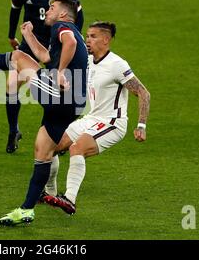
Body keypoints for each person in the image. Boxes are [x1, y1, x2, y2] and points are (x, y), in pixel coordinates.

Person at [0, 0, 88, 225]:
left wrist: (61, 72)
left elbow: (70, 42)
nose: (48, 11)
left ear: (63, 14)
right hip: (73, 104)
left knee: (18, 58)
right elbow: (45, 58)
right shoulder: (63, 32)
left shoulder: (64, 28)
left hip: (62, 95)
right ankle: (26, 210)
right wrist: (29, 36)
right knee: (42, 152)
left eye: (52, 8)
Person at [42, 21, 151, 215]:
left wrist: (141, 125)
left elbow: (143, 93)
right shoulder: (88, 60)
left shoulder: (117, 65)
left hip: (112, 122)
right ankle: (49, 194)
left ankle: (69, 200)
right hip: (91, 118)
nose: (87, 40)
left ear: (106, 40)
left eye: (92, 36)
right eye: (87, 35)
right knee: (49, 147)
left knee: (77, 148)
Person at [5, 0, 84, 153]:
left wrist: (76, 36)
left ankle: (56, 135)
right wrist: (11, 35)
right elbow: (15, 9)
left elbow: (78, 14)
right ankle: (13, 131)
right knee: (12, 84)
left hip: (54, 44)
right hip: (29, 43)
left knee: (56, 91)